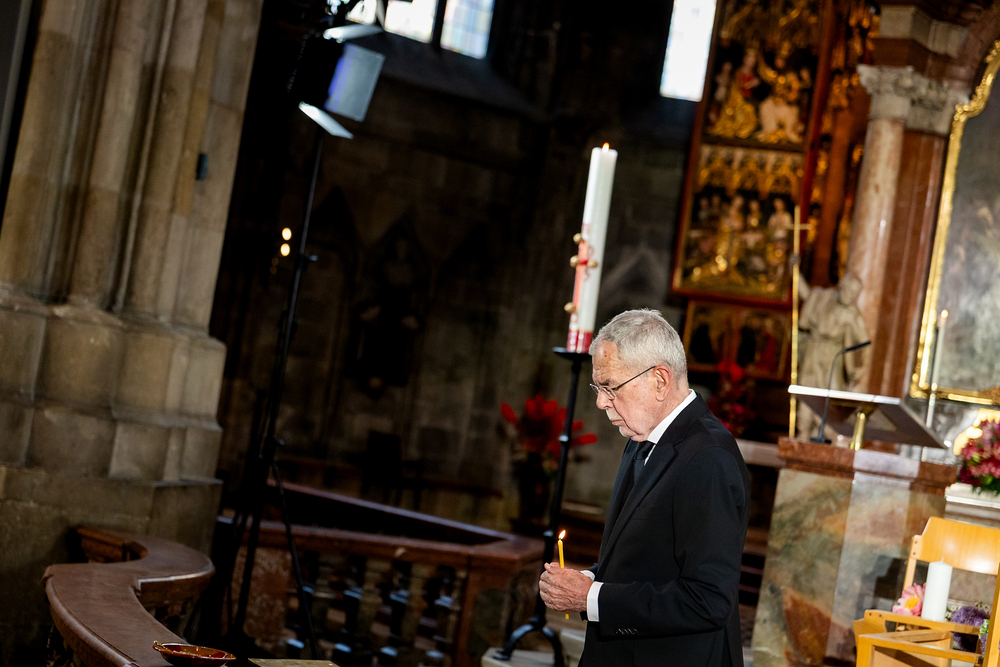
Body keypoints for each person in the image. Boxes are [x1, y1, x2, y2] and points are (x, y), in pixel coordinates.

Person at [539, 309, 750, 667]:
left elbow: (709, 600)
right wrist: (588, 579)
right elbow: (646, 560)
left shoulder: (708, 458)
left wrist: (593, 598)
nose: (600, 401)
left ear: (659, 380)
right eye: (598, 388)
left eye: (610, 387)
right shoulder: (642, 437)